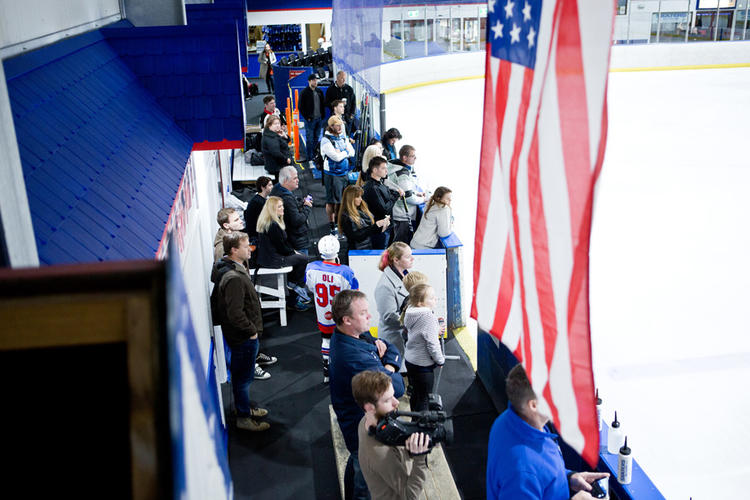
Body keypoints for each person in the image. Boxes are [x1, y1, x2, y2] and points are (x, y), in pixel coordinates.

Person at [486, 364, 609, 499]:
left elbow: (542, 473)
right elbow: (532, 472)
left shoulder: (509, 422)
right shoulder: (523, 471)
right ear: (533, 405)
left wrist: (568, 477)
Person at [329, 290, 405, 500]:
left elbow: (391, 348)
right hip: (360, 426)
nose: (370, 317)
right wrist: (388, 367)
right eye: (363, 313)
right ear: (347, 319)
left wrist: (385, 364)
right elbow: (397, 388)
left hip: (361, 419)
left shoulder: (356, 334)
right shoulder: (353, 356)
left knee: (357, 465)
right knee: (365, 477)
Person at [210, 232, 270, 431]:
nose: (250, 249)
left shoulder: (231, 268)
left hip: (240, 336)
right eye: (246, 246)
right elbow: (235, 313)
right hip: (243, 337)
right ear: (234, 250)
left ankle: (243, 408)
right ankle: (244, 418)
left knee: (242, 377)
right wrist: (251, 331)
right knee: (243, 379)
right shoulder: (234, 277)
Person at [352, 371, 430, 500]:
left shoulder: (367, 421)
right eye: (388, 400)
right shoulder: (379, 453)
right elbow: (409, 496)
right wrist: (420, 458)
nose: (396, 403)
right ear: (370, 407)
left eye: (393, 396)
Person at [305, 235, 359, 383]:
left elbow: (310, 288)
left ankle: (327, 370)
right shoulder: (346, 271)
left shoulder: (311, 268)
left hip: (322, 313)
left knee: (326, 340)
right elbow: (354, 294)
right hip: (341, 313)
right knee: (345, 341)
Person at [255, 196, 312, 311]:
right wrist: (293, 252)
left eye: (282, 206)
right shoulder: (273, 225)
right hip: (274, 259)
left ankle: (294, 286)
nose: (283, 208)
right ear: (272, 209)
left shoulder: (268, 222)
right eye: (279, 206)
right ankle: (295, 285)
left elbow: (282, 245)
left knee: (298, 257)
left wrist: (292, 251)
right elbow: (282, 247)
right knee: (303, 259)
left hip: (270, 257)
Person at [402, 284, 445, 412]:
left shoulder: (410, 311)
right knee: (424, 399)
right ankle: (421, 427)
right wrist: (440, 360)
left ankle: (414, 417)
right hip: (423, 366)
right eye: (431, 298)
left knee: (415, 394)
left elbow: (420, 332)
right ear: (420, 303)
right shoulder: (428, 317)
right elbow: (432, 344)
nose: (435, 300)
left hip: (410, 360)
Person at [374, 242, 414, 371]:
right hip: (393, 340)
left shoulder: (404, 274)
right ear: (396, 260)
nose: (412, 259)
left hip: (403, 336)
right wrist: (414, 322)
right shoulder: (384, 286)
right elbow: (389, 317)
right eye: (408, 257)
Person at [321, 116, 355, 235]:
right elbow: (335, 157)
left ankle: (340, 222)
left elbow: (352, 152)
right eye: (337, 125)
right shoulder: (326, 140)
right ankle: (332, 224)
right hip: (332, 175)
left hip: (343, 173)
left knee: (342, 200)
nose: (340, 128)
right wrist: (344, 152)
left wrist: (342, 153)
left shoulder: (343, 137)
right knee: (332, 201)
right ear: (331, 127)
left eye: (341, 125)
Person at [387, 145, 426, 245]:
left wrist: (416, 193)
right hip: (402, 215)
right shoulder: (402, 174)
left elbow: (404, 190)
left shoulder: (393, 167)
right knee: (400, 246)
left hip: (395, 213)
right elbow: (408, 198)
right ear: (404, 158)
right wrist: (423, 199)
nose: (415, 158)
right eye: (413, 156)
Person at [270, 166, 313, 253]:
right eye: (295, 178)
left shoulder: (277, 190)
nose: (298, 180)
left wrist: (300, 203)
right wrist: (307, 207)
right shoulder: (287, 199)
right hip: (297, 241)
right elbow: (297, 220)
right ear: (286, 180)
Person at [362, 157, 401, 249]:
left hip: (385, 226)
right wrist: (396, 195)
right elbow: (384, 209)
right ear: (375, 170)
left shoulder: (379, 183)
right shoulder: (372, 188)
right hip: (380, 229)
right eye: (383, 168)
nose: (386, 171)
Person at [338, 185, 390, 250]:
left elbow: (370, 230)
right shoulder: (345, 216)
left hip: (368, 248)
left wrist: (383, 225)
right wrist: (376, 225)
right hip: (356, 251)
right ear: (350, 198)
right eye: (357, 197)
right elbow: (356, 237)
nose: (361, 199)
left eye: (361, 196)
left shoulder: (363, 210)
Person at [299, 73, 325, 163]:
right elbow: (300, 107)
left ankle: (314, 155)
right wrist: (307, 117)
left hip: (319, 119)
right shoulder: (304, 93)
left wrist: (322, 116)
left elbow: (322, 104)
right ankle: (309, 157)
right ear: (309, 81)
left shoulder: (319, 91)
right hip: (310, 120)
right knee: (309, 139)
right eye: (314, 80)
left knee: (316, 138)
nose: (315, 82)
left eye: (316, 80)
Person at [244, 176, 273, 241]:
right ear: (263, 187)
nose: (272, 187)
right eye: (270, 185)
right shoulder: (259, 202)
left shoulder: (259, 199)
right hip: (256, 236)